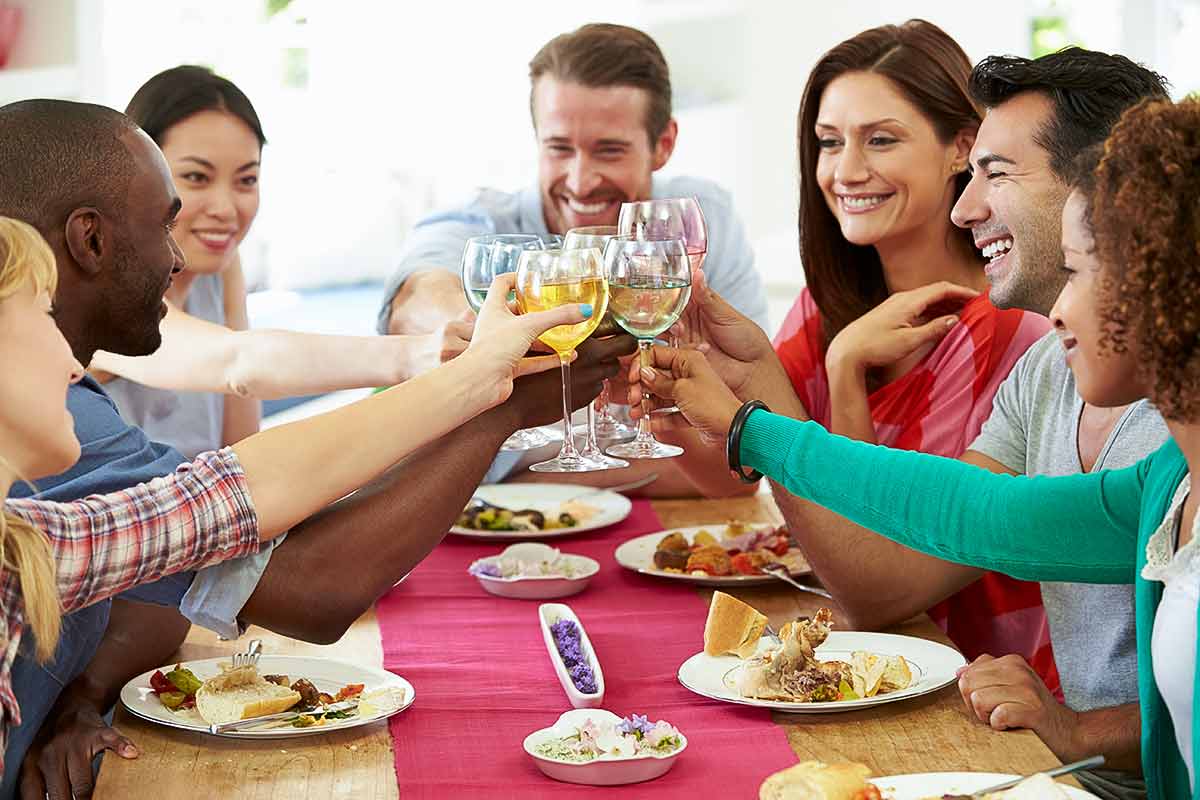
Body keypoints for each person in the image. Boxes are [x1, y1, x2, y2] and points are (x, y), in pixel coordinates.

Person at [0, 99, 634, 799]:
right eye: (40, 316)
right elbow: (270, 543)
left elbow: (217, 504)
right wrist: (480, 392)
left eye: (247, 179)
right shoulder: (61, 476)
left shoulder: (49, 542)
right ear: (87, 240)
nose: (76, 372)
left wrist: (483, 391)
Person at [640, 96, 1200, 800]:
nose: (1059, 307)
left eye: (1082, 269)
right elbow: (969, 510)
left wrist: (753, 421)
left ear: (1167, 284)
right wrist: (753, 420)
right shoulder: (1166, 483)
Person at [673, 19, 1058, 700]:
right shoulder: (822, 311)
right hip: (872, 671)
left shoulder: (1011, 332)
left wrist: (844, 377)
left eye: (881, 139)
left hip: (980, 689)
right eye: (829, 143)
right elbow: (730, 473)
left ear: (960, 149)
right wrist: (659, 393)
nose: (846, 171)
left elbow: (876, 574)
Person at [377, 22, 768, 493]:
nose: (581, 181)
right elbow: (413, 301)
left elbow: (740, 472)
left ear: (663, 144)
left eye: (609, 150)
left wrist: (534, 472)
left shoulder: (694, 230)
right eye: (559, 148)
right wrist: (471, 325)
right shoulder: (487, 223)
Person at [88, 65, 463, 459]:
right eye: (197, 177)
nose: (226, 208)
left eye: (246, 180)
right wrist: (417, 353)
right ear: (137, 176)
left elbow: (241, 449)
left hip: (209, 510)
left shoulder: (221, 268)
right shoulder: (101, 294)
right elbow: (240, 363)